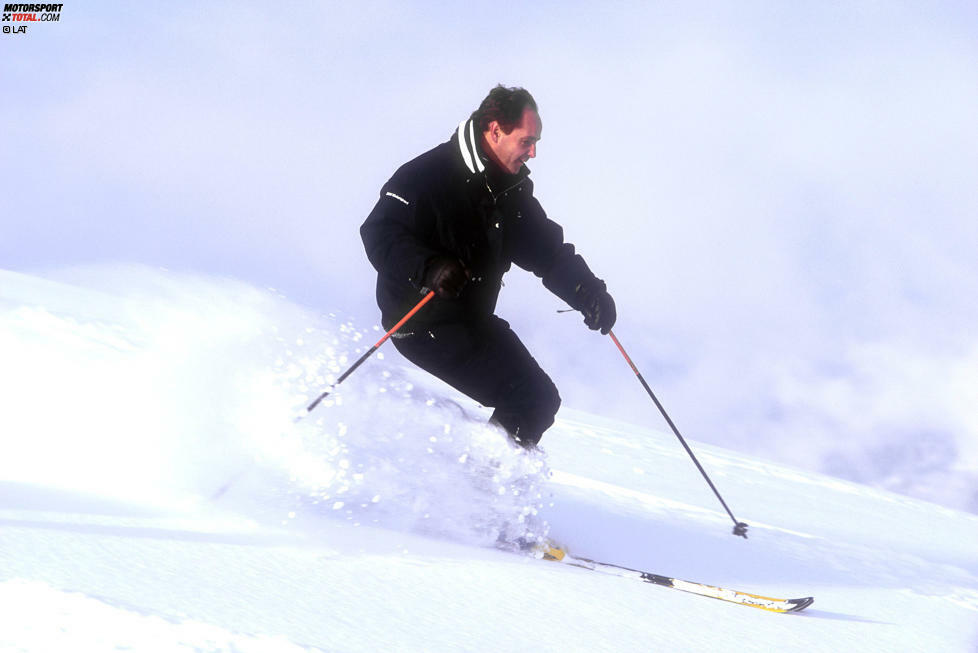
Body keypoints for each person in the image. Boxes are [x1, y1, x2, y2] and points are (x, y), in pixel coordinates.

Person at [360, 85, 615, 449]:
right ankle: (476, 488)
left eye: (536, 142)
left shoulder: (509, 191)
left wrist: (587, 291)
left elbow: (548, 251)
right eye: (527, 141)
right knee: (527, 398)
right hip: (421, 322)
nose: (533, 152)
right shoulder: (428, 174)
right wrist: (428, 266)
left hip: (470, 319)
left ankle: (480, 483)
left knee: (540, 400)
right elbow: (378, 232)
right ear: (494, 130)